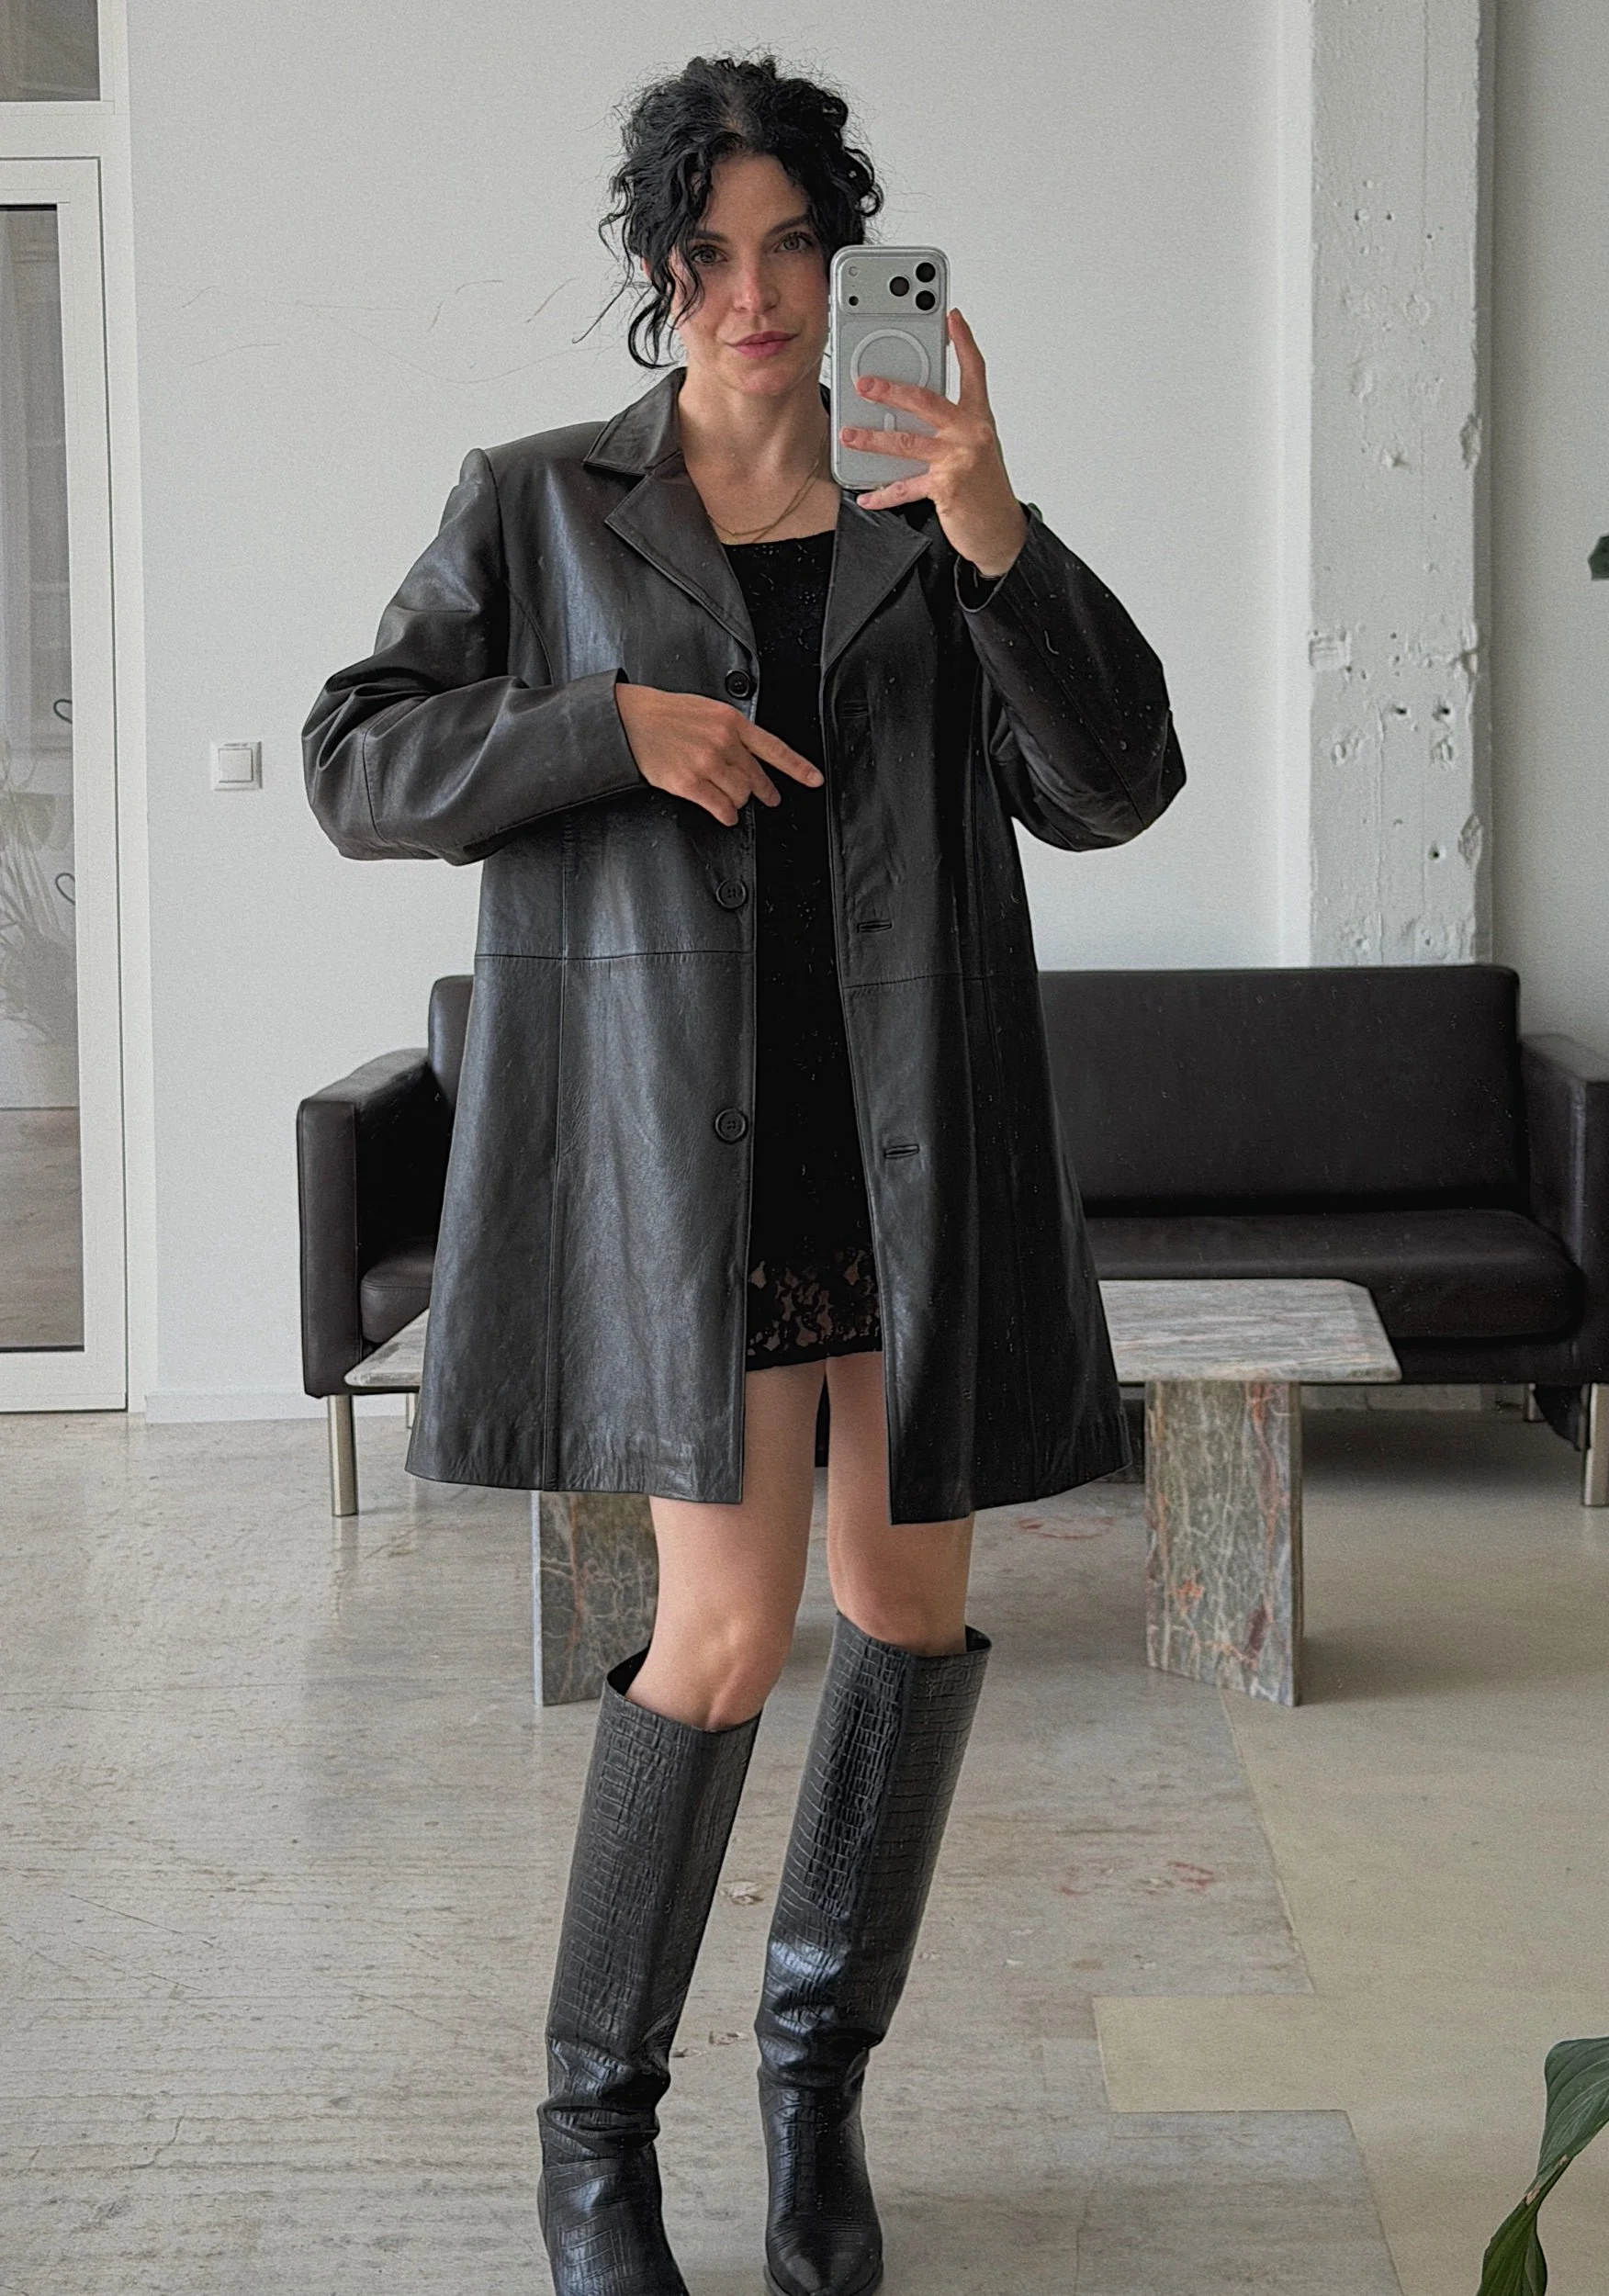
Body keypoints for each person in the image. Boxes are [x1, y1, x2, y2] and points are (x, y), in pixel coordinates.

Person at [303, 51, 1185, 2296]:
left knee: (903, 1614)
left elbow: (1117, 783)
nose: (757, 292)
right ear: (656, 267)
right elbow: (356, 760)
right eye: (710, 252)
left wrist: (996, 524)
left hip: (909, 1157)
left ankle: (817, 2097)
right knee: (714, 1634)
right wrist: (608, 727)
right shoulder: (544, 503)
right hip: (690, 1173)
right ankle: (594, 2136)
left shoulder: (930, 521)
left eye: (796, 245)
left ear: (850, 258)